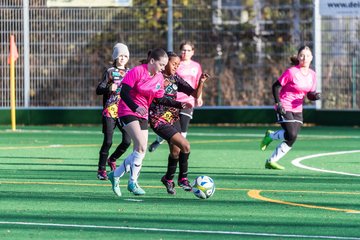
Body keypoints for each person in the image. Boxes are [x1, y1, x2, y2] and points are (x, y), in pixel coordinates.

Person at [107, 48, 191, 196]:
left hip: (142, 113)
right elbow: (124, 92)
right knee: (140, 146)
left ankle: (115, 174)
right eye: (161, 64)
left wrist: (179, 104)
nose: (163, 68)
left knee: (141, 149)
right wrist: (135, 107)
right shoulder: (137, 71)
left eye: (165, 64)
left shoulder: (158, 77)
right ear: (152, 61)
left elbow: (159, 98)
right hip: (127, 110)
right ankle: (133, 183)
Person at [148, 52, 209, 195]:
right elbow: (159, 99)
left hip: (173, 118)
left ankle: (168, 179)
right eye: (174, 63)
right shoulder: (157, 78)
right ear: (165, 62)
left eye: (178, 64)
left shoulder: (175, 78)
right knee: (185, 145)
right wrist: (179, 104)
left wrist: (201, 82)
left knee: (175, 151)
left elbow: (194, 94)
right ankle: (183, 178)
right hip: (159, 119)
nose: (176, 66)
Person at [260, 45, 321, 170]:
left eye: (307, 56)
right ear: (298, 57)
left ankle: (271, 160)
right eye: (302, 55)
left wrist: (314, 96)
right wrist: (278, 104)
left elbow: (309, 94)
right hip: (285, 104)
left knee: (291, 137)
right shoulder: (292, 72)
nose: (304, 58)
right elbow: (276, 86)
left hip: (298, 108)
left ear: (312, 58)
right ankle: (271, 138)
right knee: (291, 134)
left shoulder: (313, 75)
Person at [148, 41, 204, 152]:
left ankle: (181, 165)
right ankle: (160, 139)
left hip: (187, 102)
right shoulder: (172, 64)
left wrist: (200, 96)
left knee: (182, 136)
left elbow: (197, 82)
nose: (185, 52)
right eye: (183, 50)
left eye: (188, 50)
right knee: (173, 136)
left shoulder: (196, 66)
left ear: (193, 52)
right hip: (172, 102)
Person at [95, 43, 131, 180]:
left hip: (124, 112)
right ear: (115, 57)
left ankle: (113, 158)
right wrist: (109, 88)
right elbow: (99, 89)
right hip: (110, 111)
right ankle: (101, 169)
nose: (123, 58)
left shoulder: (131, 72)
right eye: (120, 55)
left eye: (125, 56)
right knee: (108, 141)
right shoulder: (110, 71)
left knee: (127, 141)